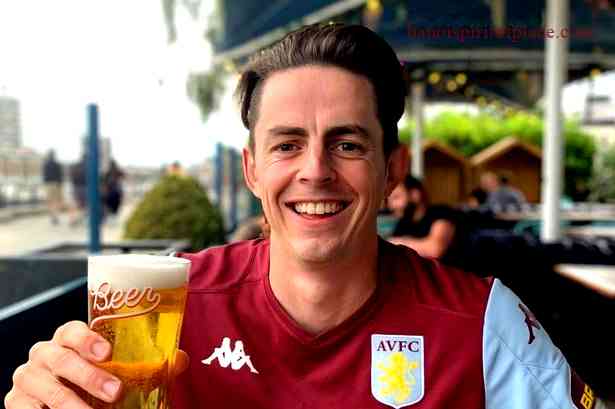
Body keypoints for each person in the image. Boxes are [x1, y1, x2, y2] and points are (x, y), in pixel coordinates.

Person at [5, 24, 606, 409]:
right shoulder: (170, 302)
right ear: (252, 170)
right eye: (287, 144)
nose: (314, 171)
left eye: (347, 144)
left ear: (392, 172)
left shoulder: (482, 325)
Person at [387, 175, 462, 262]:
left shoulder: (441, 213)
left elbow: (435, 250)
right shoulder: (403, 223)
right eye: (389, 200)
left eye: (396, 197)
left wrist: (395, 243)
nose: (391, 206)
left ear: (415, 195)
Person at [42, 149, 64, 225]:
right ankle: (56, 216)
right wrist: (61, 185)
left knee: (50, 201)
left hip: (48, 184)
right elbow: (60, 176)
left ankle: (52, 216)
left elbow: (44, 176)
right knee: (57, 201)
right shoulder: (58, 164)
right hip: (56, 184)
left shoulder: (45, 164)